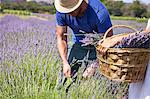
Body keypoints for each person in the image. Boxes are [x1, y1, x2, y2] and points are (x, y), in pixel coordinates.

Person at [55, 0, 113, 91]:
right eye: (67, 11)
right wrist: (65, 62)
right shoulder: (62, 10)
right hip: (79, 44)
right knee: (64, 79)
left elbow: (108, 41)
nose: (69, 14)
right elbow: (61, 37)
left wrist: (95, 65)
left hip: (99, 46)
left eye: (71, 10)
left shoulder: (99, 12)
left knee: (96, 81)